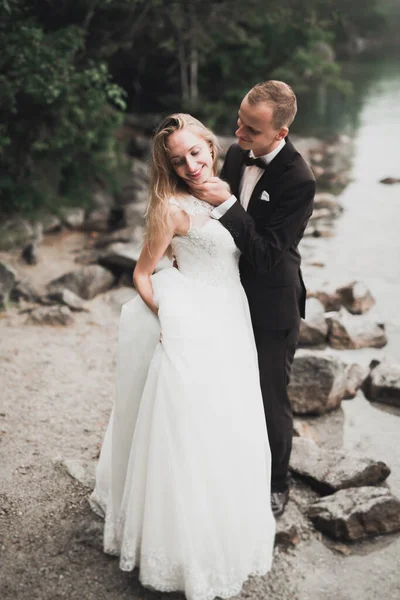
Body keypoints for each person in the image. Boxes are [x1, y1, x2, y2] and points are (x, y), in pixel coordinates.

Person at [90, 113, 275, 600]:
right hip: (194, 321)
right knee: (189, 425)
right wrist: (168, 316)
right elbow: (143, 274)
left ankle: (227, 523)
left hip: (231, 321)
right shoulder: (171, 209)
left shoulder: (226, 188)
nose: (191, 165)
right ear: (169, 166)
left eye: (196, 153)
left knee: (233, 422)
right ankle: (180, 544)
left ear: (212, 148)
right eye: (179, 160)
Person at [189, 81, 316, 518]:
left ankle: (278, 482)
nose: (238, 133)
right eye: (240, 120)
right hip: (223, 292)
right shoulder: (238, 152)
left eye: (251, 129)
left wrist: (227, 206)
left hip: (271, 303)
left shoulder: (299, 180)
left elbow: (264, 254)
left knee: (270, 395)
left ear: (279, 134)